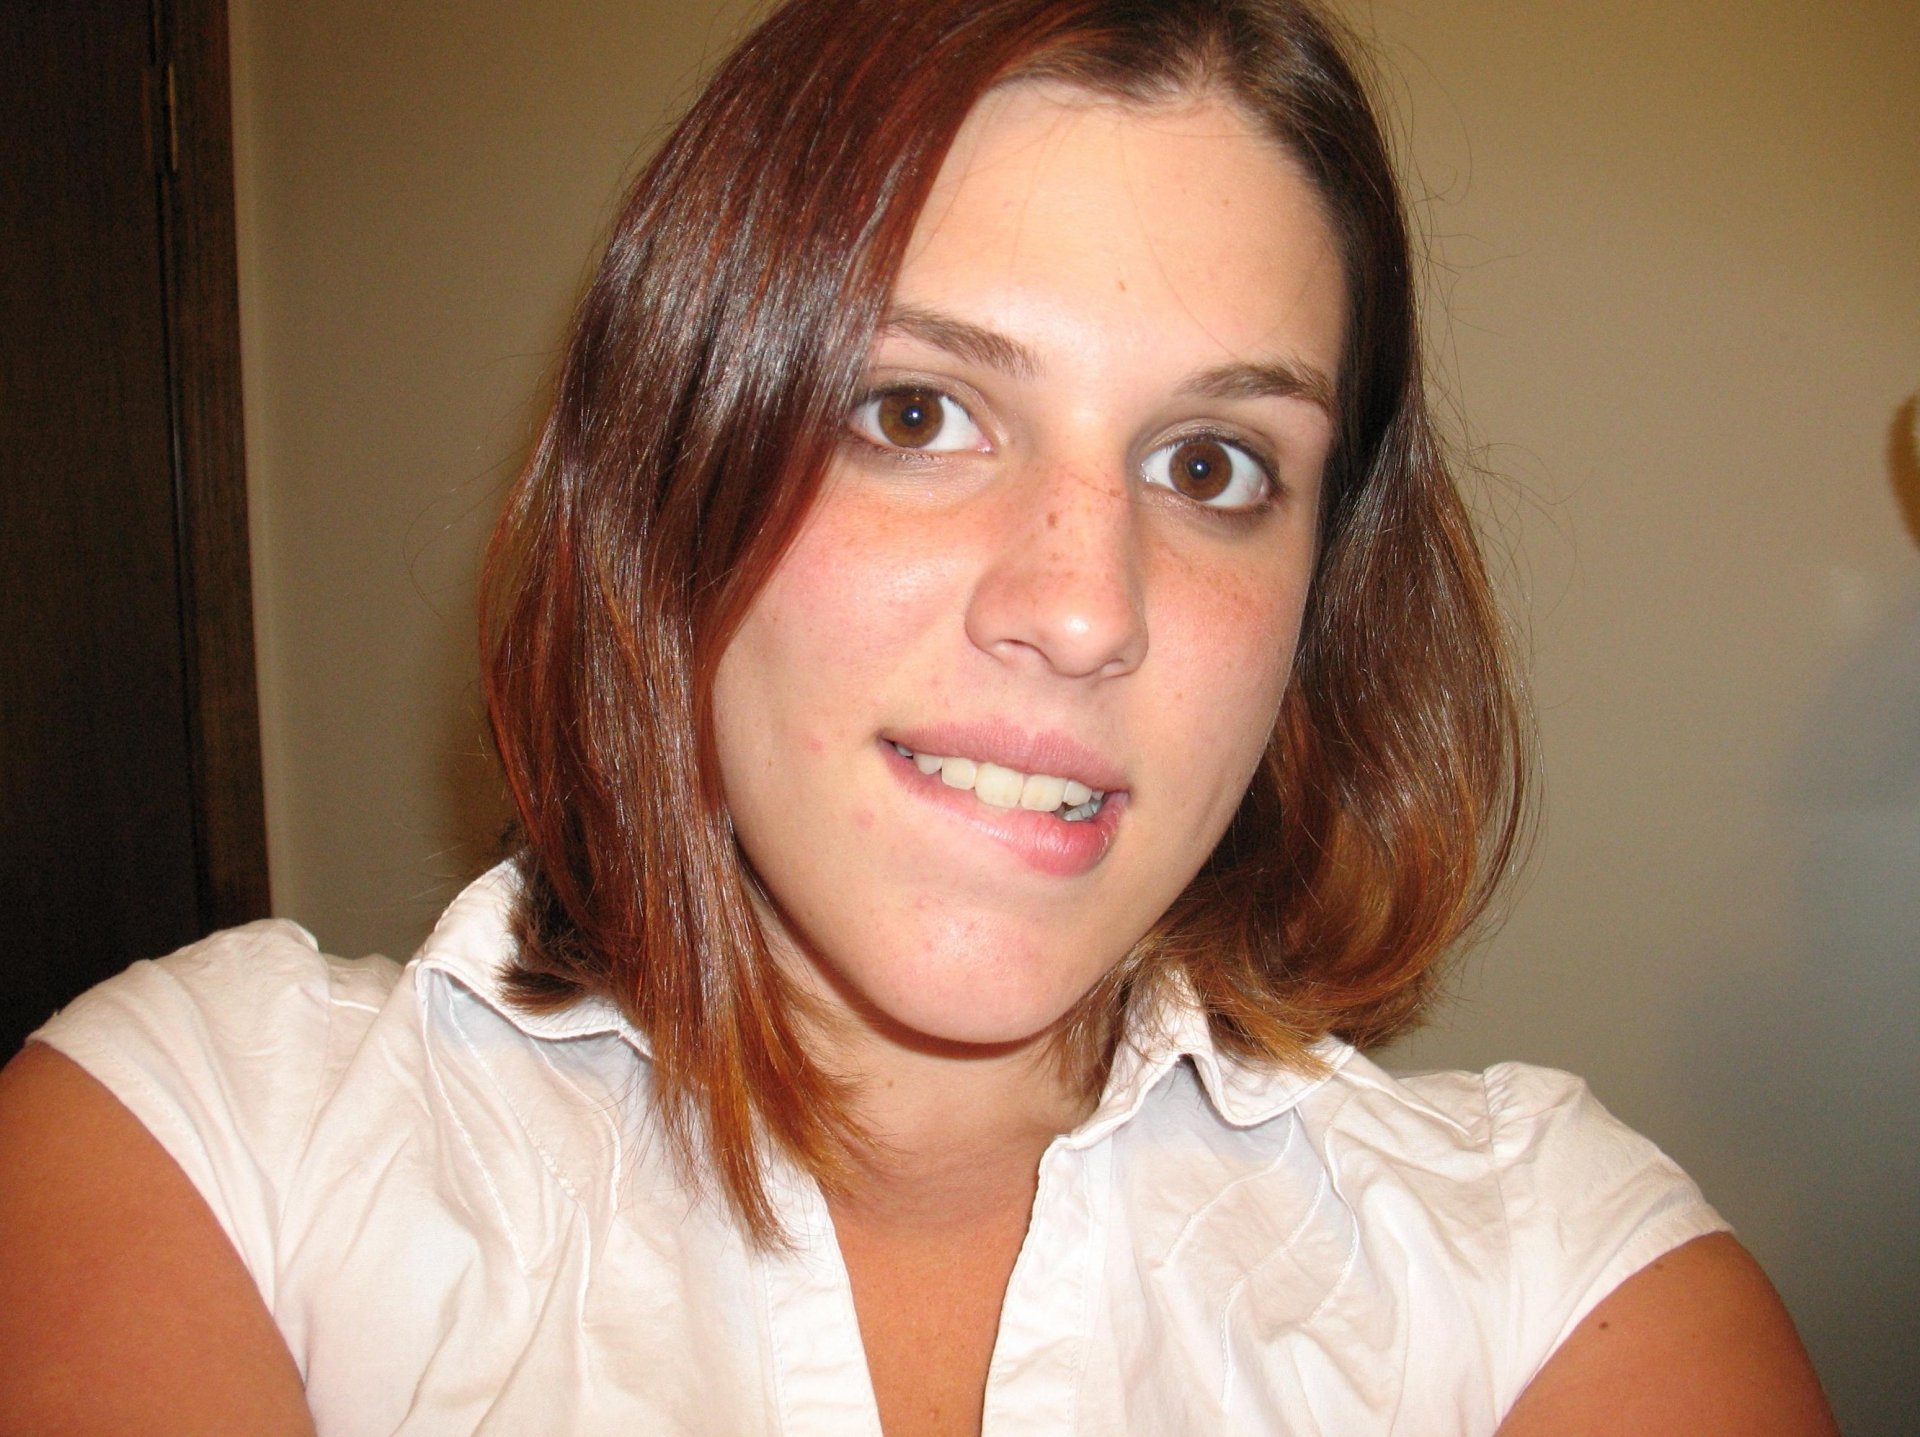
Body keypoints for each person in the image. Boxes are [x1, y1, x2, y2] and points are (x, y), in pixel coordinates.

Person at [0, 0, 1836, 1432]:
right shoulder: (211, 1156)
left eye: (1212, 463)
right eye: (914, 412)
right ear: (669, 467)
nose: (1083, 607)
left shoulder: (1551, 1292)